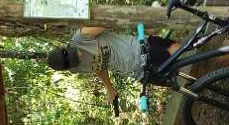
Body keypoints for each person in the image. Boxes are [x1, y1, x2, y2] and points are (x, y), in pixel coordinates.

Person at [46, 26, 182, 107]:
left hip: (140, 49)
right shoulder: (75, 68)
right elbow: (99, 68)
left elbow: (107, 22)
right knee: (177, 83)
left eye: (75, 53)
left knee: (180, 52)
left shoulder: (81, 36)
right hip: (137, 72)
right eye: (76, 60)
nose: (80, 56)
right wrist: (109, 88)